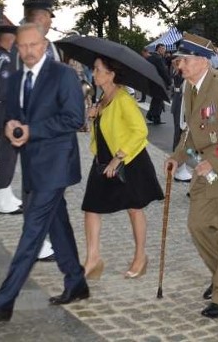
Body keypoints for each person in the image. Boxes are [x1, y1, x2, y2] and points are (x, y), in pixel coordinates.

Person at [0, 23, 87, 324]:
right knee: (57, 224)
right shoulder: (17, 77)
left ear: (44, 43)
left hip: (57, 165)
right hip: (33, 163)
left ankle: (3, 302)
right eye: (21, 47)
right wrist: (12, 126)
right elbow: (14, 115)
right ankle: (76, 282)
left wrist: (32, 130)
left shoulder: (63, 75)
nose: (28, 52)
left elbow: (75, 118)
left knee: (32, 231)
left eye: (33, 45)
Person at [164, 33, 218, 320]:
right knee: (198, 225)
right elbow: (192, 131)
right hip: (204, 168)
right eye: (179, 61)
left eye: (186, 60)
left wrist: (215, 162)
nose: (181, 66)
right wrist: (177, 158)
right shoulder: (191, 87)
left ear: (203, 61)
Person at [81, 57, 164, 280]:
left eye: (98, 69)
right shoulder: (102, 98)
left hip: (129, 160)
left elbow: (140, 131)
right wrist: (92, 116)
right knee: (91, 207)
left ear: (111, 75)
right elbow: (103, 130)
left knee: (134, 208)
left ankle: (140, 256)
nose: (94, 72)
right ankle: (93, 259)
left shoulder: (123, 99)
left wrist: (118, 159)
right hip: (102, 159)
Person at [0, 26, 24, 215]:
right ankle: (1, 200)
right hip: (5, 116)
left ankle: (6, 194)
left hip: (5, 115)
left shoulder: (4, 58)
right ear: (9, 39)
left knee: (9, 159)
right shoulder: (4, 60)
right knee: (7, 159)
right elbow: (3, 91)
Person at [145, 43, 170, 124]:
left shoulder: (151, 57)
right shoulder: (158, 58)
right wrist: (169, 81)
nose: (164, 50)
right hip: (159, 82)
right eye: (163, 48)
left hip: (153, 81)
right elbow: (163, 71)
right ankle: (155, 117)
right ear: (158, 49)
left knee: (156, 99)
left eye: (164, 49)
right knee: (158, 99)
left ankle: (151, 115)